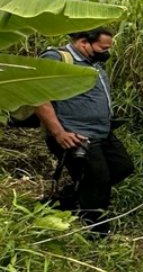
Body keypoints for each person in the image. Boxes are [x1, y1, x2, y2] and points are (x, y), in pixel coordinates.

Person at [34, 27, 133, 238]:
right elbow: (39, 97)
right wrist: (59, 133)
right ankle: (97, 232)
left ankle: (60, 202)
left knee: (122, 167)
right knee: (98, 179)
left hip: (102, 133)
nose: (106, 52)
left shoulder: (93, 64)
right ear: (83, 43)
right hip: (75, 135)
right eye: (102, 47)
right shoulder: (57, 58)